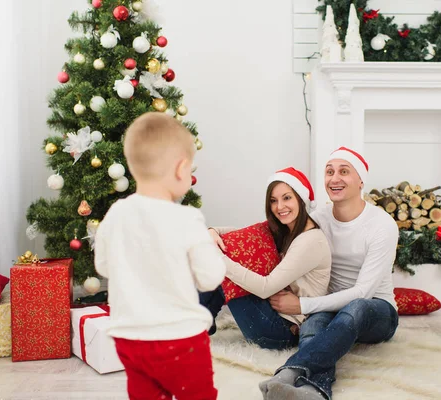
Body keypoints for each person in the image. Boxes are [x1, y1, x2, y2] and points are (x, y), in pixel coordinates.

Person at [94, 113, 226, 400]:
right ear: (181, 168)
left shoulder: (116, 214)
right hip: (180, 340)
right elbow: (210, 278)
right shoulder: (186, 219)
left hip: (130, 338)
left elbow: (103, 265)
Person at [259, 147, 400, 400]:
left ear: (360, 182)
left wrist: (303, 304)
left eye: (344, 171)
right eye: (329, 171)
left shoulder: (382, 225)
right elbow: (271, 231)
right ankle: (315, 391)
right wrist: (216, 231)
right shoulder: (318, 218)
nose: (335, 178)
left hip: (376, 310)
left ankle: (289, 371)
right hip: (331, 305)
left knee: (356, 307)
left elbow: (363, 293)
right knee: (313, 324)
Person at [200, 167, 332, 350]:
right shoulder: (285, 228)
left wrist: (220, 258)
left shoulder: (311, 241)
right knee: (227, 248)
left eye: (287, 198)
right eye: (273, 201)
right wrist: (212, 232)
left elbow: (265, 288)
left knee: (228, 266)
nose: (279, 207)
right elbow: (241, 235)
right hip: (272, 312)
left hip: (281, 331)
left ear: (300, 199)